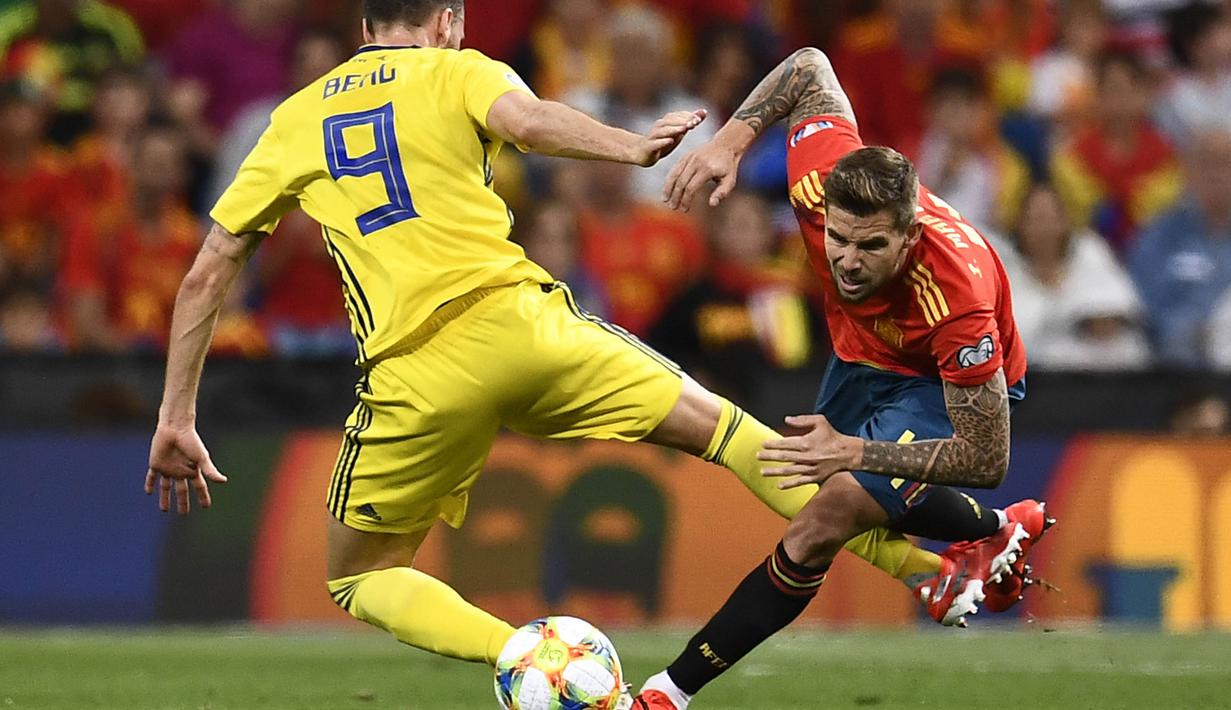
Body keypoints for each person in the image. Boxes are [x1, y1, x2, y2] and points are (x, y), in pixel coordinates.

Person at [142, 0, 962, 688]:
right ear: (447, 22)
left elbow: (210, 269)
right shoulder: (459, 69)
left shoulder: (293, 118)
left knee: (361, 575)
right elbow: (529, 122)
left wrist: (177, 415)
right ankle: (929, 574)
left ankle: (527, 660)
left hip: (415, 371)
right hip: (523, 324)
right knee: (723, 429)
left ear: (364, 24)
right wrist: (630, 146)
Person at [634, 45, 1052, 709]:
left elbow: (986, 455)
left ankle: (663, 694)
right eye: (837, 238)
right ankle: (996, 530)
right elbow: (808, 66)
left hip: (938, 379)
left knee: (821, 520)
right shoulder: (817, 178)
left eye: (871, 246)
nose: (847, 261)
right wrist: (730, 142)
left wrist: (853, 450)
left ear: (910, 236)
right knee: (833, 489)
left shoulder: (958, 303)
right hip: (862, 353)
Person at [1000, 182, 1149, 371]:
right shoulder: (1005, 271)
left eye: (1052, 217)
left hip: (1099, 379)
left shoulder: (1092, 251)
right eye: (1036, 219)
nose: (1045, 228)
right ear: (1019, 224)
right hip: (1035, 384)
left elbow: (1120, 308)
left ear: (1066, 220)